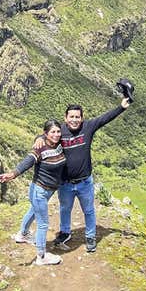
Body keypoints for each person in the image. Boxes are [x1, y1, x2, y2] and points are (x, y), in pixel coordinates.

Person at [35, 89, 132, 253]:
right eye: (71, 117)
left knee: (89, 210)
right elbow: (47, 136)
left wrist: (121, 107)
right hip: (65, 183)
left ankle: (90, 236)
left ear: (82, 118)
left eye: (77, 117)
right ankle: (65, 233)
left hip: (85, 182)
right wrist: (38, 138)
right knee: (65, 209)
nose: (74, 120)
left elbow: (105, 118)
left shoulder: (88, 127)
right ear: (65, 118)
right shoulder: (60, 133)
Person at [0, 119, 66, 266]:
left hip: (47, 191)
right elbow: (28, 161)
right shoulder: (40, 148)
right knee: (43, 224)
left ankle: (22, 235)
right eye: (52, 132)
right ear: (45, 134)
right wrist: (13, 174)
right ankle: (41, 257)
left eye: (58, 131)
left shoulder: (59, 143)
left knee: (33, 211)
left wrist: (40, 137)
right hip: (39, 190)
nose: (56, 134)